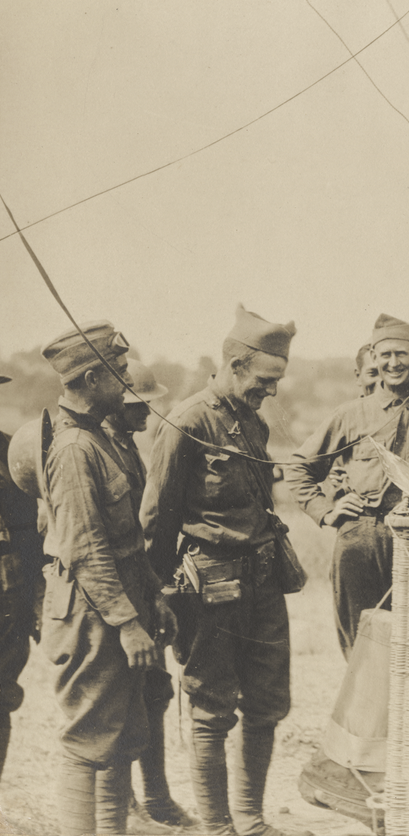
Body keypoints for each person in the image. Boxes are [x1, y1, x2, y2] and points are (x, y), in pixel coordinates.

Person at [142, 305, 306, 836]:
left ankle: (252, 821)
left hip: (263, 584)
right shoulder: (187, 421)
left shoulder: (250, 420)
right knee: (212, 710)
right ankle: (217, 828)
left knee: (267, 705)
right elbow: (155, 523)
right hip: (210, 589)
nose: (272, 392)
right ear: (235, 364)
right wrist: (159, 595)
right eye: (266, 380)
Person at [38, 322, 171, 836]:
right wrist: (127, 623)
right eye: (118, 371)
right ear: (92, 378)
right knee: (88, 741)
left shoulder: (104, 441)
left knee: (123, 735)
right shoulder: (74, 448)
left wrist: (152, 599)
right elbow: (87, 550)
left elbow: (128, 542)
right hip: (93, 616)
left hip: (121, 607)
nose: (125, 381)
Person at [285, 313, 409, 656]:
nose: (393, 363)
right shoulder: (351, 415)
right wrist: (327, 512)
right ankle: (365, 710)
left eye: (402, 354)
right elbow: (299, 468)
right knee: (361, 646)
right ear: (373, 357)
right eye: (385, 355)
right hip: (360, 541)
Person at [100, 360, 196, 830]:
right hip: (114, 598)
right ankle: (127, 806)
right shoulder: (94, 450)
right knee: (119, 704)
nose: (147, 412)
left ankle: (154, 797)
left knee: (153, 693)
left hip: (143, 590)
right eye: (138, 404)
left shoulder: (130, 448)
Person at [0, 373, 43, 787]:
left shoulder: (10, 452)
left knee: (0, 700)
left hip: (9, 598)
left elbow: (31, 530)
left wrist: (36, 597)